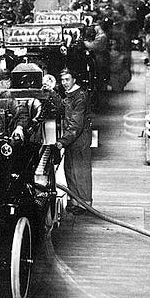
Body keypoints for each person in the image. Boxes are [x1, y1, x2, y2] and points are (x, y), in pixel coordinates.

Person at [55, 69, 92, 215]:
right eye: (62, 80)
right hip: (72, 140)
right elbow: (62, 106)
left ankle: (84, 205)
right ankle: (75, 201)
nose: (64, 83)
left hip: (79, 140)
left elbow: (76, 125)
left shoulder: (80, 97)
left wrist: (62, 141)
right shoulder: (70, 95)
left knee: (80, 172)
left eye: (67, 79)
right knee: (70, 170)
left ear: (74, 80)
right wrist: (51, 93)